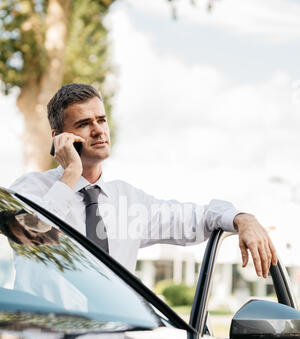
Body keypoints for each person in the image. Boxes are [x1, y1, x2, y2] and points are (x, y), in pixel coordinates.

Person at [10, 83, 277, 278]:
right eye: (84, 124)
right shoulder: (30, 189)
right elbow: (33, 232)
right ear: (59, 137)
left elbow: (197, 217)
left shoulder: (129, 201)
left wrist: (242, 218)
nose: (99, 130)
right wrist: (70, 173)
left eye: (102, 120)